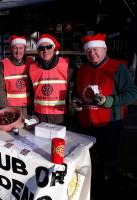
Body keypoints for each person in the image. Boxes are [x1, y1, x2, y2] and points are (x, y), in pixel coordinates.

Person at [71, 33, 137, 199]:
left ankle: (109, 192)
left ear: (104, 49)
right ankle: (89, 192)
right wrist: (76, 102)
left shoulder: (117, 68)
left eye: (95, 50)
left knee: (109, 163)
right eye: (89, 51)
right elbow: (76, 93)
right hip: (86, 125)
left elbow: (132, 93)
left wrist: (111, 101)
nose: (92, 54)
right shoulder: (82, 69)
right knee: (89, 163)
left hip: (110, 125)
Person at [29, 34, 72, 125]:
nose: (45, 50)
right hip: (39, 116)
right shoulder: (32, 68)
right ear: (38, 51)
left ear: (54, 48)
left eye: (49, 47)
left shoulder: (67, 65)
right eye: (41, 48)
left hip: (60, 117)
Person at [0, 35, 33, 118]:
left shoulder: (31, 63)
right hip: (10, 108)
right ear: (11, 49)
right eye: (15, 48)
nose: (18, 51)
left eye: (21, 48)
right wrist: (5, 108)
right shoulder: (3, 64)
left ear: (24, 49)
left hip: (27, 108)